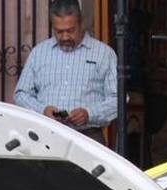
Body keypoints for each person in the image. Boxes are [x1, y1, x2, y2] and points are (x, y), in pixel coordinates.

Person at [13, 0, 117, 145]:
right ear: (52, 27)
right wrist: (42, 110)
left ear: (81, 24)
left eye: (70, 30)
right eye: (59, 31)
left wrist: (89, 114)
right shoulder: (39, 53)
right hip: (44, 136)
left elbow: (118, 99)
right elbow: (21, 94)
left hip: (88, 139)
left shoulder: (104, 53)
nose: (65, 37)